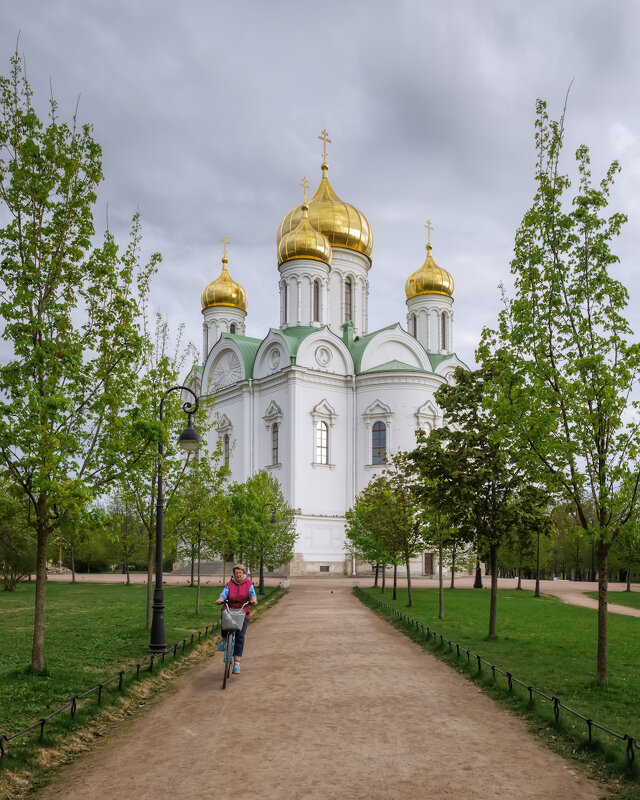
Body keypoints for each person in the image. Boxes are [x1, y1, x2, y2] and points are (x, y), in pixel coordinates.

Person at [216, 564, 257, 674]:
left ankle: (237, 662)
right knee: (224, 617)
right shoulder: (229, 584)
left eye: (240, 573)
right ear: (233, 574)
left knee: (240, 636)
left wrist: (253, 600)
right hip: (230, 609)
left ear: (244, 573)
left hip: (242, 612)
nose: (238, 575)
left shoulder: (249, 584)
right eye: (236, 573)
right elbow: (224, 594)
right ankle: (224, 638)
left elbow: (252, 594)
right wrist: (220, 599)